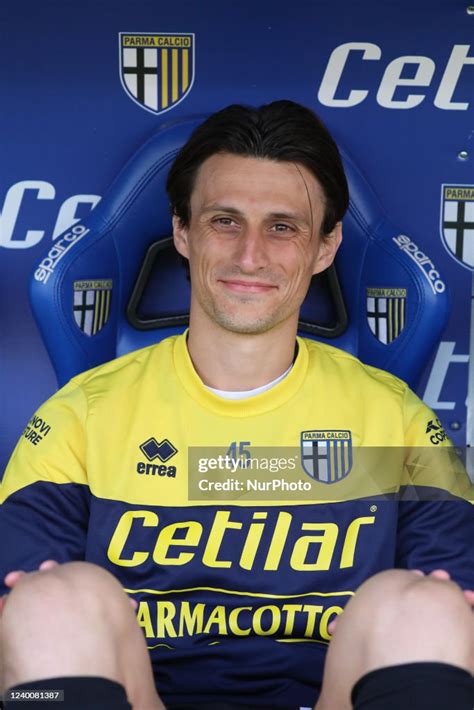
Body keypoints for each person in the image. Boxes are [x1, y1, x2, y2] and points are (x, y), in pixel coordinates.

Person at [0, 101, 473, 710]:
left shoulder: (393, 417)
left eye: (283, 226)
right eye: (225, 220)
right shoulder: (83, 414)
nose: (250, 255)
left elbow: (457, 598)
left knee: (431, 606)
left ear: (326, 247)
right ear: (182, 231)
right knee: (47, 601)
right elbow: (18, 617)